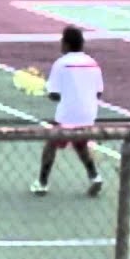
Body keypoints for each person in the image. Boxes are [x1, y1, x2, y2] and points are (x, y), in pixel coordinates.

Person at [31, 26, 105, 197]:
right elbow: (98, 93)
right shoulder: (93, 63)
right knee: (80, 144)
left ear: (66, 44)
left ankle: (42, 183)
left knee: (51, 144)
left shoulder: (61, 64)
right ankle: (95, 177)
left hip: (67, 115)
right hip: (89, 114)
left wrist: (48, 93)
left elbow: (54, 95)